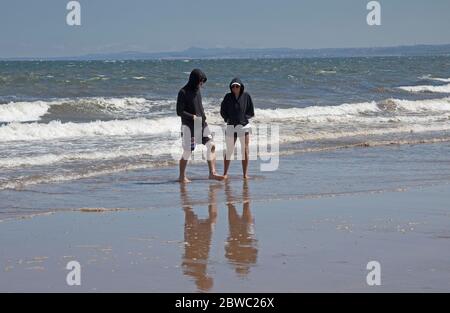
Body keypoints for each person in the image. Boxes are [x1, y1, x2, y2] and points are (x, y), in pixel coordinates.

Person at [176, 69, 224, 183]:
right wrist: (192, 116)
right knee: (188, 151)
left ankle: (212, 173)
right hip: (188, 126)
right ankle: (181, 177)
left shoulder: (197, 90)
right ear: (194, 80)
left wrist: (203, 117)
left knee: (211, 145)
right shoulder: (183, 92)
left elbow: (199, 107)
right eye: (200, 81)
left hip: (201, 124)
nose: (201, 84)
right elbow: (179, 111)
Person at [220, 78, 255, 179]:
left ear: (241, 87)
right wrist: (227, 119)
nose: (235, 88)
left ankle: (245, 174)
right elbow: (222, 110)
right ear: (231, 87)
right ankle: (225, 173)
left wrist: (243, 119)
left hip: (244, 126)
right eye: (233, 86)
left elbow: (251, 111)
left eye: (237, 86)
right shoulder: (228, 97)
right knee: (229, 150)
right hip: (231, 126)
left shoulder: (246, 96)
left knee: (245, 150)